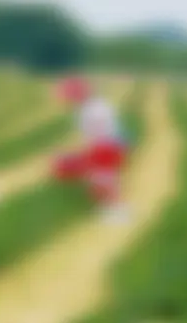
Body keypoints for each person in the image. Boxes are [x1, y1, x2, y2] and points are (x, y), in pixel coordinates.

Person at [53, 77, 130, 219]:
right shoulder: (89, 108)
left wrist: (87, 155)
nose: (67, 99)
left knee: (103, 179)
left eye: (69, 95)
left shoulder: (92, 110)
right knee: (99, 180)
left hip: (106, 147)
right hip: (108, 146)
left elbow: (101, 134)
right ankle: (110, 208)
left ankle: (118, 212)